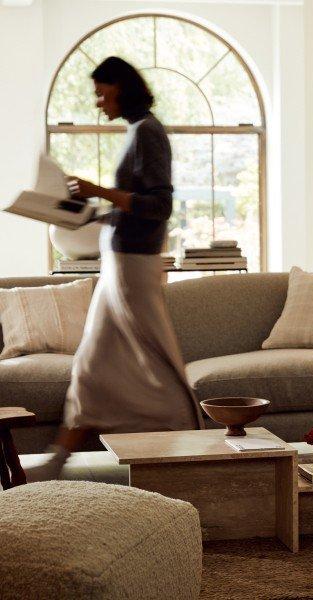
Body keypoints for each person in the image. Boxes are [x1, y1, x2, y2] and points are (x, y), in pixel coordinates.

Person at [30, 57, 202, 480]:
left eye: (101, 92)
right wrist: (84, 212)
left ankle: (191, 442)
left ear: (122, 88)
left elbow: (159, 206)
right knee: (93, 361)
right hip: (117, 265)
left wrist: (98, 190)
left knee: (154, 360)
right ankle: (58, 459)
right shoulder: (135, 131)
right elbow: (130, 208)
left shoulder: (148, 131)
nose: (97, 102)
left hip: (133, 269)